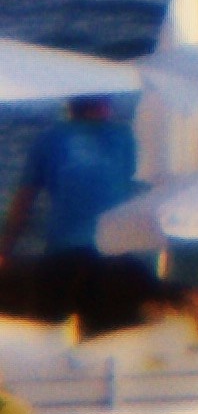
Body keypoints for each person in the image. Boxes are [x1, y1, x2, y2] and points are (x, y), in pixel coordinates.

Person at [0, 94, 167, 333]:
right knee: (116, 332)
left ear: (70, 105)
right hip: (115, 257)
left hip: (63, 257)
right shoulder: (127, 139)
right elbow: (150, 195)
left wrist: (4, 251)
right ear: (105, 105)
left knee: (49, 329)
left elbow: (22, 206)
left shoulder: (49, 139)